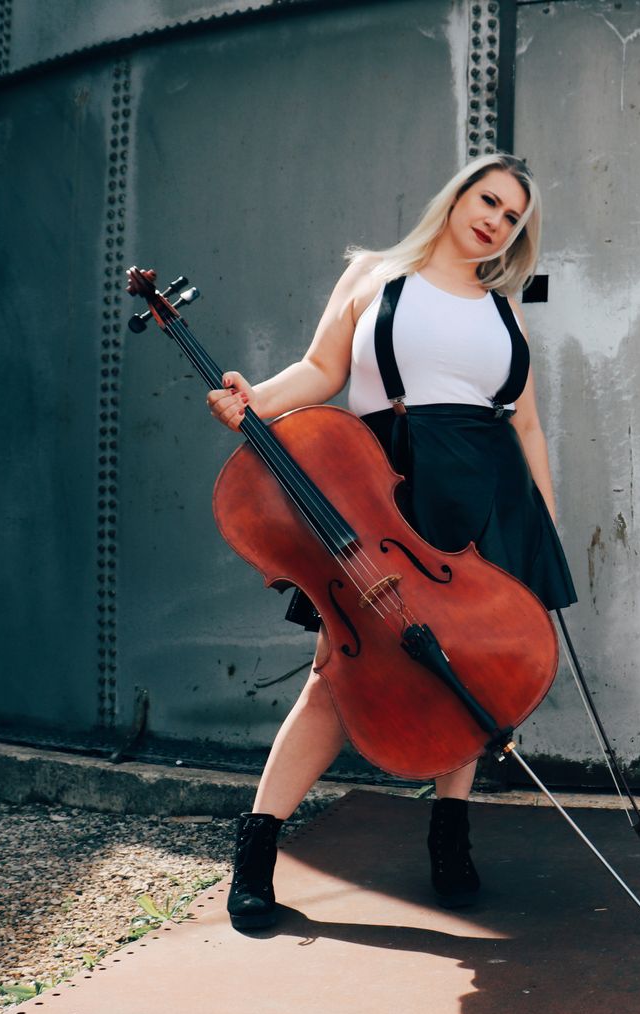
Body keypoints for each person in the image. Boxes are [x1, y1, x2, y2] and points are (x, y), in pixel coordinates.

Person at [204, 154, 577, 931]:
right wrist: (254, 400)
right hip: (391, 493)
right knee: (334, 678)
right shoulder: (376, 275)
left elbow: (527, 424)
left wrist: (543, 520)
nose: (496, 221)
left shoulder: (504, 310)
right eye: (488, 200)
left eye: (513, 217)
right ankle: (257, 850)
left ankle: (450, 836)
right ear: (458, 196)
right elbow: (322, 368)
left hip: (485, 500)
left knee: (466, 670)